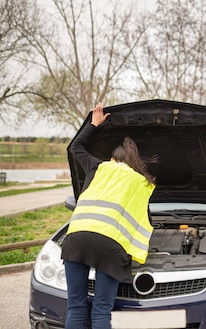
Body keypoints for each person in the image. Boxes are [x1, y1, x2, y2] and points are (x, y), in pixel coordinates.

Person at [61, 102, 155, 329]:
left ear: (113, 159)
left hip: (76, 239)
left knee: (76, 307)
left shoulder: (98, 167)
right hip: (109, 247)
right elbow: (145, 220)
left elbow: (76, 148)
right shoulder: (141, 183)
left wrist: (93, 124)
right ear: (134, 163)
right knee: (101, 311)